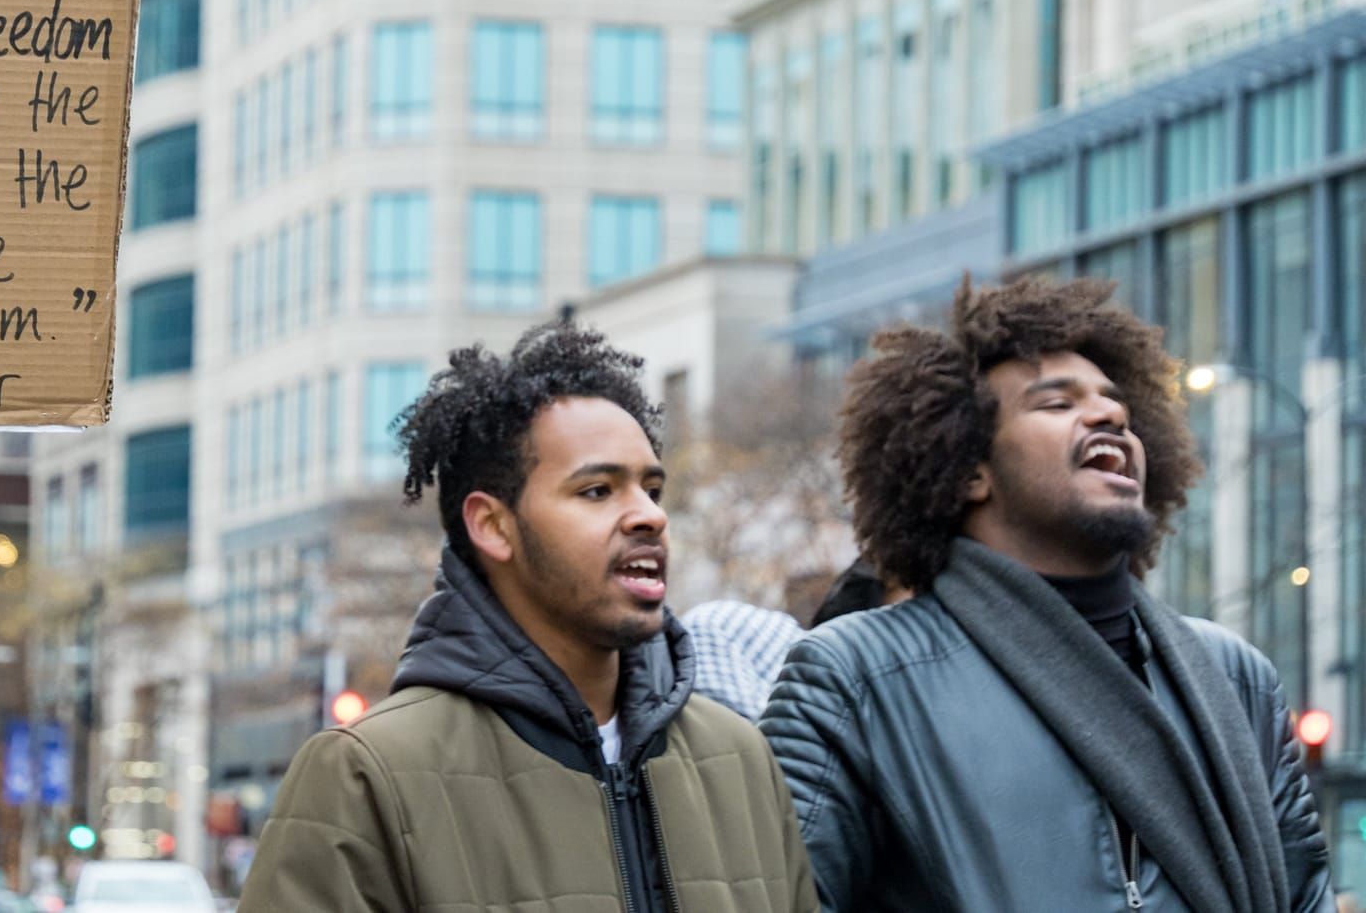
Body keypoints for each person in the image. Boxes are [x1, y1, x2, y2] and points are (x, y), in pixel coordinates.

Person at [761, 277, 1334, 912]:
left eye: (1116, 405)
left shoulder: (1238, 677)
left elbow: (1302, 896)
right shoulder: (853, 678)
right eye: (1057, 404)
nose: (1110, 415)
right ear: (969, 469)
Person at [240, 322, 817, 912]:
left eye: (652, 488)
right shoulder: (366, 775)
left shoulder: (741, 758)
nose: (648, 516)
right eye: (597, 490)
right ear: (493, 525)